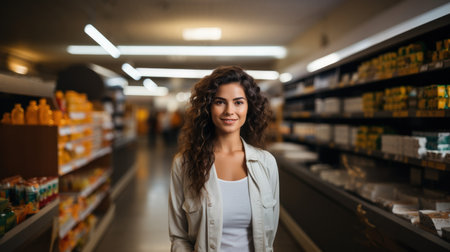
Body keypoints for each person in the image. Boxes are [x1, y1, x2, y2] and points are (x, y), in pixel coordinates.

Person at [168, 66, 279, 252]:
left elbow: (269, 238)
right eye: (220, 102)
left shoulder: (266, 163)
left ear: (248, 107)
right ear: (208, 107)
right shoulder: (184, 164)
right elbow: (179, 237)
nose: (229, 110)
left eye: (238, 102)